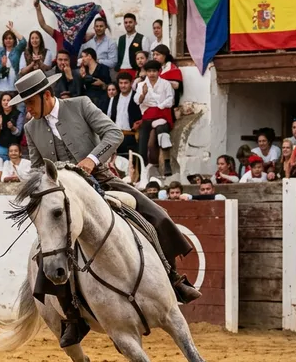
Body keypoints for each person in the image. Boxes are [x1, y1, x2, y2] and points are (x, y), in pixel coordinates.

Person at [10, 69, 199, 347]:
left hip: (101, 180)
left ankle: (173, 278)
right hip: (64, 195)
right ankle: (72, 317)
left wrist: (91, 159)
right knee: (48, 253)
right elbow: (39, 167)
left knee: (155, 215)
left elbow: (113, 134)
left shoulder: (81, 104)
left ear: (45, 96)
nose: (26, 110)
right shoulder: (31, 128)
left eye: (28, 103)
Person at [135, 60, 175, 178]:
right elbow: (137, 101)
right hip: (148, 116)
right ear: (146, 72)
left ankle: (167, 163)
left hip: (162, 113)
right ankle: (143, 169)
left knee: (162, 132)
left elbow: (170, 100)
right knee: (143, 142)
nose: (151, 74)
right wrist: (143, 94)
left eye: (154, 71)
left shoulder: (165, 84)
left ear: (159, 72)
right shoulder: (141, 85)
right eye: (149, 71)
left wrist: (159, 107)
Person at [107, 72, 141, 156]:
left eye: (126, 83)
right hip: (116, 136)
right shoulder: (114, 99)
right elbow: (110, 117)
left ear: (131, 83)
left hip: (132, 136)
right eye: (121, 83)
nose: (123, 86)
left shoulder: (137, 97)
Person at [0, 23, 26, 96]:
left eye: (10, 38)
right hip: (2, 89)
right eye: (6, 39)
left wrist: (12, 30)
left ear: (14, 40)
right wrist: (2, 65)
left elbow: (23, 42)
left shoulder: (17, 51)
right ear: (3, 41)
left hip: (16, 88)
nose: (8, 40)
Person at [0, 91, 23, 160]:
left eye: (8, 100)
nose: (6, 102)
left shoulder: (19, 114)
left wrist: (12, 128)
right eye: (4, 100)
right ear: (0, 102)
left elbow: (18, 133)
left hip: (14, 147)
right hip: (1, 146)